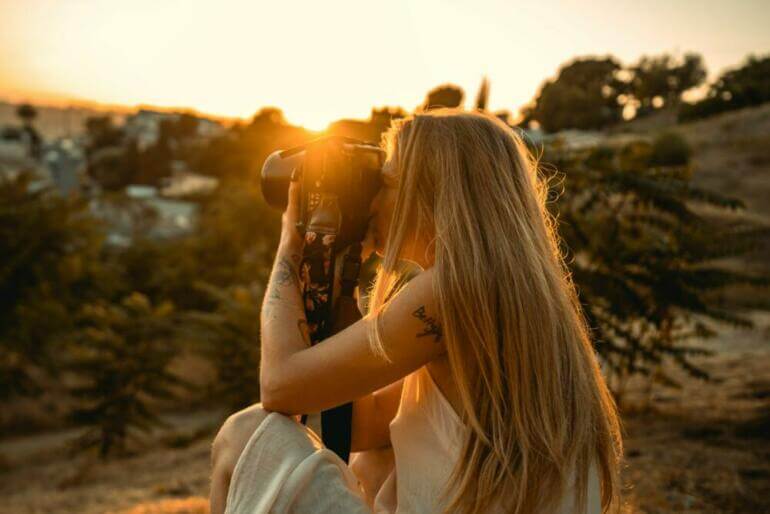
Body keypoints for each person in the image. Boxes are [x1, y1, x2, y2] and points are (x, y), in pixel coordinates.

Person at [210, 108, 624, 514]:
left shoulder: (454, 287)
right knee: (375, 461)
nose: (373, 200)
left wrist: (291, 242)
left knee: (245, 433)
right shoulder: (513, 291)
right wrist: (340, 278)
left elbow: (280, 387)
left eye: (387, 181)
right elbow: (366, 426)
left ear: (437, 191)